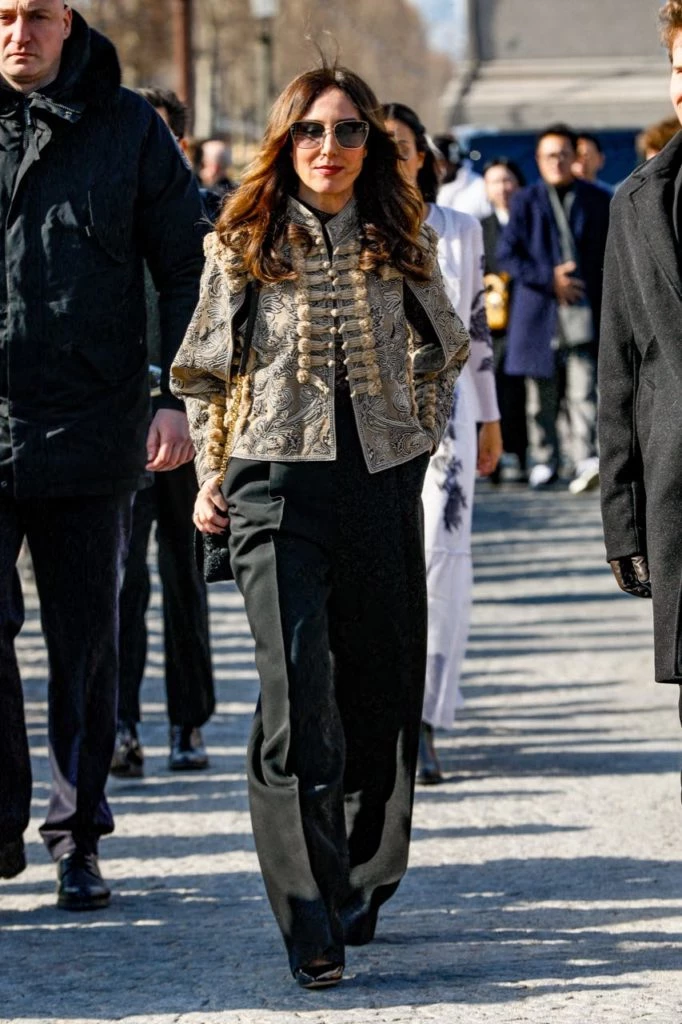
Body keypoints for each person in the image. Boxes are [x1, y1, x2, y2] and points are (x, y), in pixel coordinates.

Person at [171, 64, 469, 988]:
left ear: (369, 146)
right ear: (285, 140)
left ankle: (364, 874)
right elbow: (201, 373)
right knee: (296, 693)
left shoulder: (399, 236)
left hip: (379, 481)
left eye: (347, 133)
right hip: (271, 488)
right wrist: (212, 476)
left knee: (378, 689)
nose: (329, 149)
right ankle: (307, 915)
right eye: (311, 131)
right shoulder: (241, 240)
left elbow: (447, 348)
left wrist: (416, 433)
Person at [0, 2, 205, 908]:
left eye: (36, 15)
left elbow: (185, 268)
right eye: (2, 16)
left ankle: (78, 836)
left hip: (93, 427)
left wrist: (173, 395)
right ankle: (1, 817)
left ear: (69, 21)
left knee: (83, 645)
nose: (18, 34)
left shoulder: (129, 128)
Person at [383, 103, 502, 784]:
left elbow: (477, 329)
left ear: (423, 156)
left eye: (402, 146)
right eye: (382, 145)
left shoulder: (458, 229)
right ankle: (383, 715)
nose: (393, 157)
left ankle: (426, 717)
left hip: (449, 413)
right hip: (371, 414)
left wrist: (489, 417)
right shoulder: (356, 230)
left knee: (440, 560)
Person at [111, 87, 215, 779]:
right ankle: (122, 722)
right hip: (115, 419)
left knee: (186, 573)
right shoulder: (103, 209)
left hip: (191, 418)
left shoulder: (209, 218)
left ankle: (188, 722)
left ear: (178, 144)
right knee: (120, 582)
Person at [600, 2, 682, 694]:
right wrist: (623, 520)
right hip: (678, 494)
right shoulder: (638, 203)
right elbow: (620, 368)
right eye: (677, 69)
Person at [498, 123, 611, 493]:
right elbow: (507, 256)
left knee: (584, 389)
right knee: (539, 397)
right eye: (550, 155)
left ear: (575, 157)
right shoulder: (525, 201)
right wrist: (549, 278)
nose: (558, 161)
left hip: (582, 309)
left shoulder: (596, 198)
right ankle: (543, 460)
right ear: (538, 160)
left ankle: (584, 459)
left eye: (564, 154)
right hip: (539, 310)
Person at [480, 158, 528, 482]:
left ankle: (524, 455)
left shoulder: (531, 221)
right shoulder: (480, 227)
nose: (503, 188)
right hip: (491, 319)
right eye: (495, 181)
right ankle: (493, 461)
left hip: (525, 316)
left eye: (508, 180)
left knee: (524, 392)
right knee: (494, 387)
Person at [434, 133, 493, 219]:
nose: (436, 168)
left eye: (440, 163)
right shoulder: (423, 188)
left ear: (453, 162)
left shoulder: (480, 188)